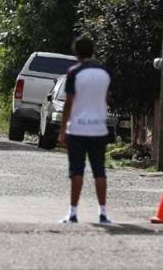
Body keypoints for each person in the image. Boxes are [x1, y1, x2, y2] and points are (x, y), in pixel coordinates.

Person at [58, 35, 112, 224]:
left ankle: (73, 213)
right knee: (99, 171)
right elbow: (105, 99)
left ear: (76, 53)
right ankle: (103, 213)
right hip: (98, 128)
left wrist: (63, 130)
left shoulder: (74, 72)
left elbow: (69, 103)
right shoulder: (104, 72)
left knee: (77, 171)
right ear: (92, 50)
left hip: (78, 129)